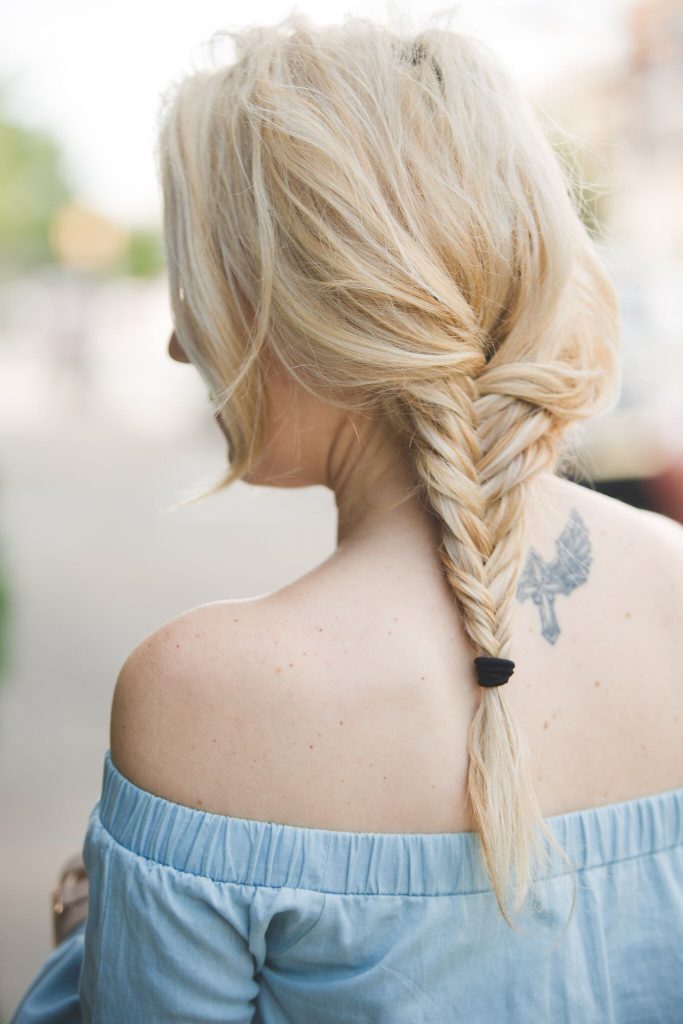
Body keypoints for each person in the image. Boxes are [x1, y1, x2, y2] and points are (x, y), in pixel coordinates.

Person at [10, 11, 683, 1023]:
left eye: (200, 282)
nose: (176, 348)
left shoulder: (200, 695)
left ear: (302, 305)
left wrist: (86, 956)